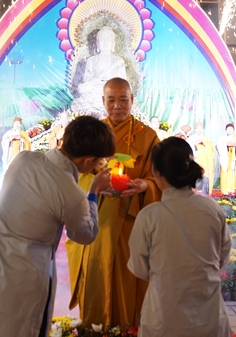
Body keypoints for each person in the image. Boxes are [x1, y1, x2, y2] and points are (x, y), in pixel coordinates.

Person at [0, 116, 117, 337]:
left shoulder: (22, 159)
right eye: (98, 161)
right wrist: (94, 191)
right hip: (24, 276)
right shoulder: (71, 193)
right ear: (88, 161)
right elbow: (85, 234)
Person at [67, 77, 161, 329]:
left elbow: (159, 177)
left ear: (132, 100)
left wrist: (144, 186)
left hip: (132, 220)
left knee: (128, 275)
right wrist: (95, 184)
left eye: (123, 99)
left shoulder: (147, 136)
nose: (117, 105)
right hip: (96, 216)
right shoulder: (92, 134)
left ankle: (128, 329)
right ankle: (95, 329)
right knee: (95, 273)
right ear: (103, 101)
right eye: (111, 100)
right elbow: (75, 173)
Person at [128, 137, 232, 336]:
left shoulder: (149, 216)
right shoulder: (212, 209)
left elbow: (139, 268)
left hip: (163, 318)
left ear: (156, 172)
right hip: (210, 317)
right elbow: (222, 256)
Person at [73, 28, 129, 112]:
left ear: (113, 44)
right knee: (81, 89)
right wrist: (96, 81)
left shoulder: (118, 61)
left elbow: (124, 83)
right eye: (102, 39)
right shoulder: (91, 60)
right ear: (97, 44)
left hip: (113, 91)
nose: (105, 42)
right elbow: (87, 81)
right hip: (96, 90)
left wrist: (110, 81)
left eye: (108, 39)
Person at [187, 122, 216, 195]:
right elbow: (187, 148)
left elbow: (211, 149)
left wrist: (205, 144)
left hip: (205, 162)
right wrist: (195, 143)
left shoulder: (206, 139)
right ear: (195, 129)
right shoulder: (191, 138)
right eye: (198, 128)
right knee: (195, 176)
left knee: (205, 177)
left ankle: (204, 193)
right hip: (195, 161)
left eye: (201, 128)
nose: (199, 130)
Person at [216, 123, 236, 194]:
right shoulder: (222, 138)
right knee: (225, 173)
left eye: (231, 129)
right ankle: (225, 190)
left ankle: (232, 189)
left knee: (232, 174)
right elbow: (218, 146)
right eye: (228, 129)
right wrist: (226, 144)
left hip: (233, 159)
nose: (230, 130)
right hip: (225, 159)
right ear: (226, 130)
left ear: (233, 130)